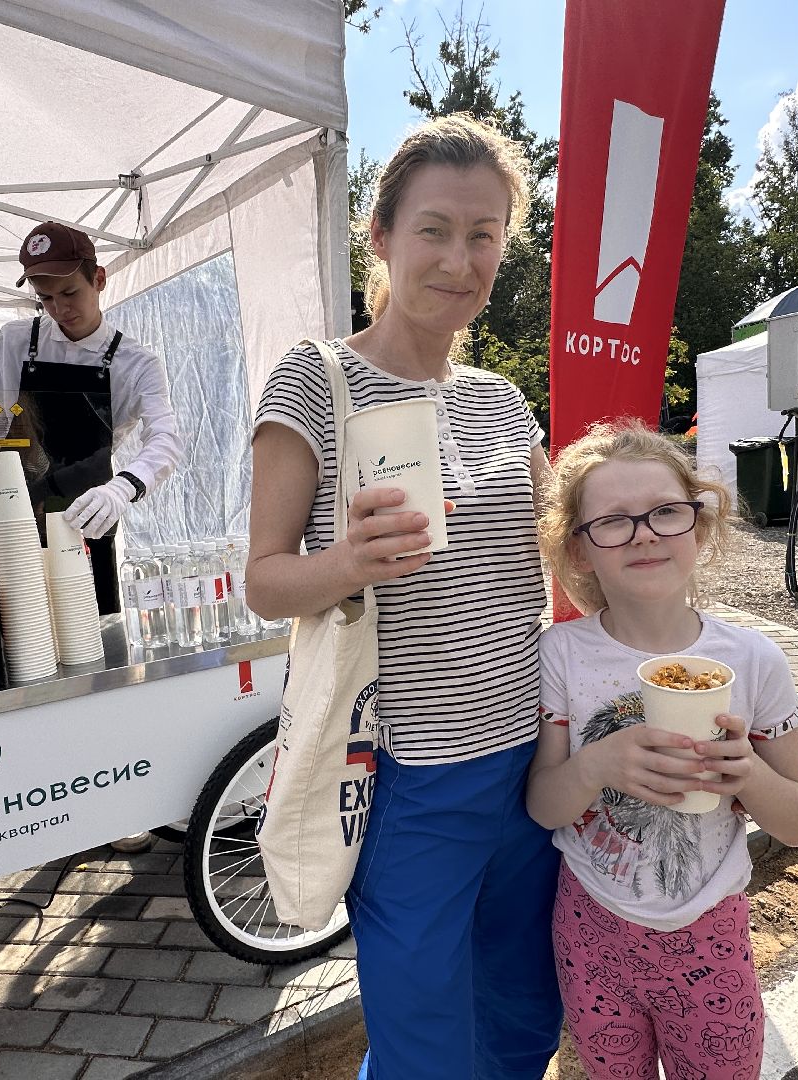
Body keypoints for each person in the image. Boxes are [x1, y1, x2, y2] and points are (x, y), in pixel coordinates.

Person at [248, 114, 562, 1079]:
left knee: (520, 1008)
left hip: (535, 758)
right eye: (434, 229)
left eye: (484, 235)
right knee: (425, 1038)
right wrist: (346, 562)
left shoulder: (500, 399)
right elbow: (264, 581)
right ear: (379, 236)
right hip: (411, 773)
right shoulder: (318, 379)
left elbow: (554, 556)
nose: (460, 260)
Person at [527, 421, 798, 1080]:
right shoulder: (561, 656)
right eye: (613, 521)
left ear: (700, 524)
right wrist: (598, 763)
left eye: (665, 512)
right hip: (590, 931)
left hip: (711, 936)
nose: (644, 533)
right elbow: (545, 807)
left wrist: (746, 772)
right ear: (578, 550)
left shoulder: (754, 661)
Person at [0, 221, 182, 855]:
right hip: (8, 524)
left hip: (84, 527)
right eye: (44, 297)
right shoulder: (14, 342)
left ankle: (111, 804)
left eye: (68, 293)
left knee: (91, 665)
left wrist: (124, 487)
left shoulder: (136, 362)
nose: (57, 309)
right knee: (13, 659)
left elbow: (166, 440)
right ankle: (25, 813)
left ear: (99, 279)